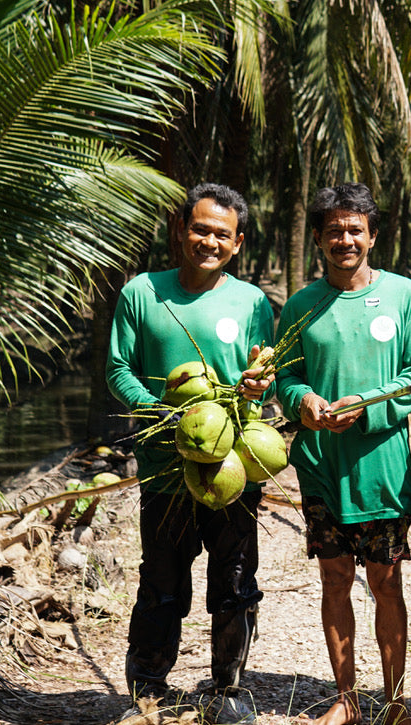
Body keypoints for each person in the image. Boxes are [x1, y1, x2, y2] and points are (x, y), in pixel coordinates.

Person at [107, 183, 275, 722]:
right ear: (180, 230)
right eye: (199, 229)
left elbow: (264, 376)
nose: (209, 240)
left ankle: (228, 689)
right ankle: (148, 691)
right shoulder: (141, 292)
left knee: (234, 582)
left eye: (221, 234)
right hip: (163, 468)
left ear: (238, 242)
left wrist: (255, 387)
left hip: (232, 469)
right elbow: (118, 371)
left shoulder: (251, 302)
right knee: (159, 584)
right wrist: (156, 410)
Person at [273, 182, 411, 725]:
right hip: (320, 467)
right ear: (319, 239)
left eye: (355, 229)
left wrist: (367, 408)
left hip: (381, 470)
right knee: (335, 579)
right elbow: (287, 379)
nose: (345, 239)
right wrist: (304, 403)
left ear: (372, 234)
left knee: (386, 584)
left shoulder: (405, 296)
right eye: (334, 230)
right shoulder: (300, 305)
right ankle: (346, 700)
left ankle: (394, 702)